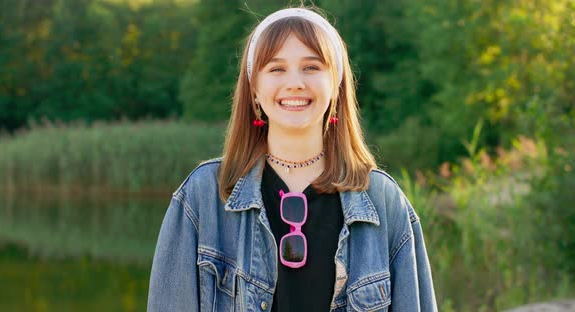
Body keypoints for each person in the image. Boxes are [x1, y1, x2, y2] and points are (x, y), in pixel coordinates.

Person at [148, 6, 437, 312]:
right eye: (276, 69)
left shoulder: (384, 202)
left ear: (336, 86)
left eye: (312, 67)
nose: (295, 82)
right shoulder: (202, 196)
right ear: (255, 91)